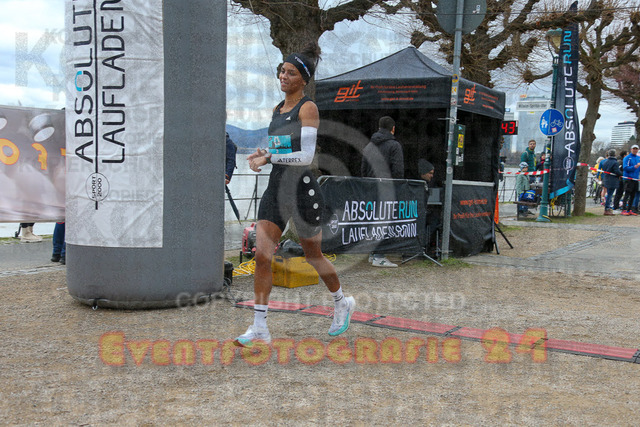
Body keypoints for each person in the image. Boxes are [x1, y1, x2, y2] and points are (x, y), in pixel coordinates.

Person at [235, 42, 355, 347]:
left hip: (302, 190)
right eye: (282, 71)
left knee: (313, 256)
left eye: (290, 72)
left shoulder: (308, 108)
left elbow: (305, 156)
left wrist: (269, 158)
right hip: (277, 187)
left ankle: (341, 302)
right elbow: (283, 148)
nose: (283, 76)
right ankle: (259, 326)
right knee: (262, 256)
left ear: (303, 79)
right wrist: (264, 153)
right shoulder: (278, 109)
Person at [361, 116, 404, 267]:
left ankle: (373, 253)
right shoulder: (394, 146)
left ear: (379, 128)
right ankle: (379, 256)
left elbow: (363, 170)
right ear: (393, 129)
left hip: (370, 189)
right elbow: (398, 170)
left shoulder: (368, 146)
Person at [599, 150, 622, 215]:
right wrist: (621, 174)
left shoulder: (605, 162)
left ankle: (607, 208)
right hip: (612, 180)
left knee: (608, 194)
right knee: (610, 195)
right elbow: (616, 171)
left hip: (606, 179)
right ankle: (607, 208)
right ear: (615, 155)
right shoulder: (615, 162)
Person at [621, 145, 640, 216]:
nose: (635, 150)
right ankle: (624, 209)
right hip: (628, 179)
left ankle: (629, 209)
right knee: (627, 194)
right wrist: (635, 167)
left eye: (636, 149)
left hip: (636, 179)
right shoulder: (627, 158)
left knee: (633, 195)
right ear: (631, 149)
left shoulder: (638, 158)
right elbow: (625, 168)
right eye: (634, 149)